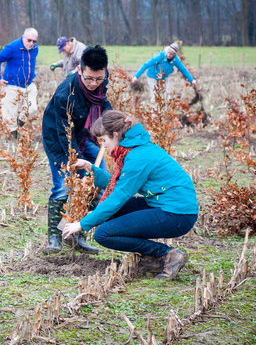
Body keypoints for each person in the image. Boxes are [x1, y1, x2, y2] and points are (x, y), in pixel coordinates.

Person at [62, 110, 198, 279]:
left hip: (177, 214)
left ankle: (166, 254)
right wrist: (90, 168)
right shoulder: (135, 149)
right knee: (110, 215)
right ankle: (152, 258)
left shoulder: (137, 156)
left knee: (103, 234)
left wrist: (82, 224)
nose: (102, 145)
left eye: (104, 140)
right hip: (162, 204)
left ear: (116, 134)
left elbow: (119, 196)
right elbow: (118, 184)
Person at [42, 45, 112, 254]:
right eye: (89, 78)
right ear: (79, 70)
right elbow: (65, 134)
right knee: (63, 186)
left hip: (82, 134)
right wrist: (78, 163)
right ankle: (55, 237)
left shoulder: (101, 80)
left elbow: (103, 102)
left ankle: (77, 234)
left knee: (99, 180)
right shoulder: (66, 94)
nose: (94, 84)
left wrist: (109, 122)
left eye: (98, 79)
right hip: (58, 139)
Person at [0, 28, 39, 138]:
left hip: (29, 85)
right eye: (29, 40)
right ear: (23, 37)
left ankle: (20, 122)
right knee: (10, 114)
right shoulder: (12, 47)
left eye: (34, 41)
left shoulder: (35, 49)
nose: (31, 43)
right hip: (12, 85)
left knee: (32, 108)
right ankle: (13, 137)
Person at [131, 42, 196, 104]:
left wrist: (192, 80)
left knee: (168, 96)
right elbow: (146, 65)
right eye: (168, 53)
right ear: (167, 51)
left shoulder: (176, 60)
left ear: (174, 55)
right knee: (154, 97)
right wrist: (136, 77)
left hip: (164, 77)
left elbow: (183, 69)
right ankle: (154, 114)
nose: (169, 55)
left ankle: (166, 113)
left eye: (171, 54)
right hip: (152, 76)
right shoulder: (160, 56)